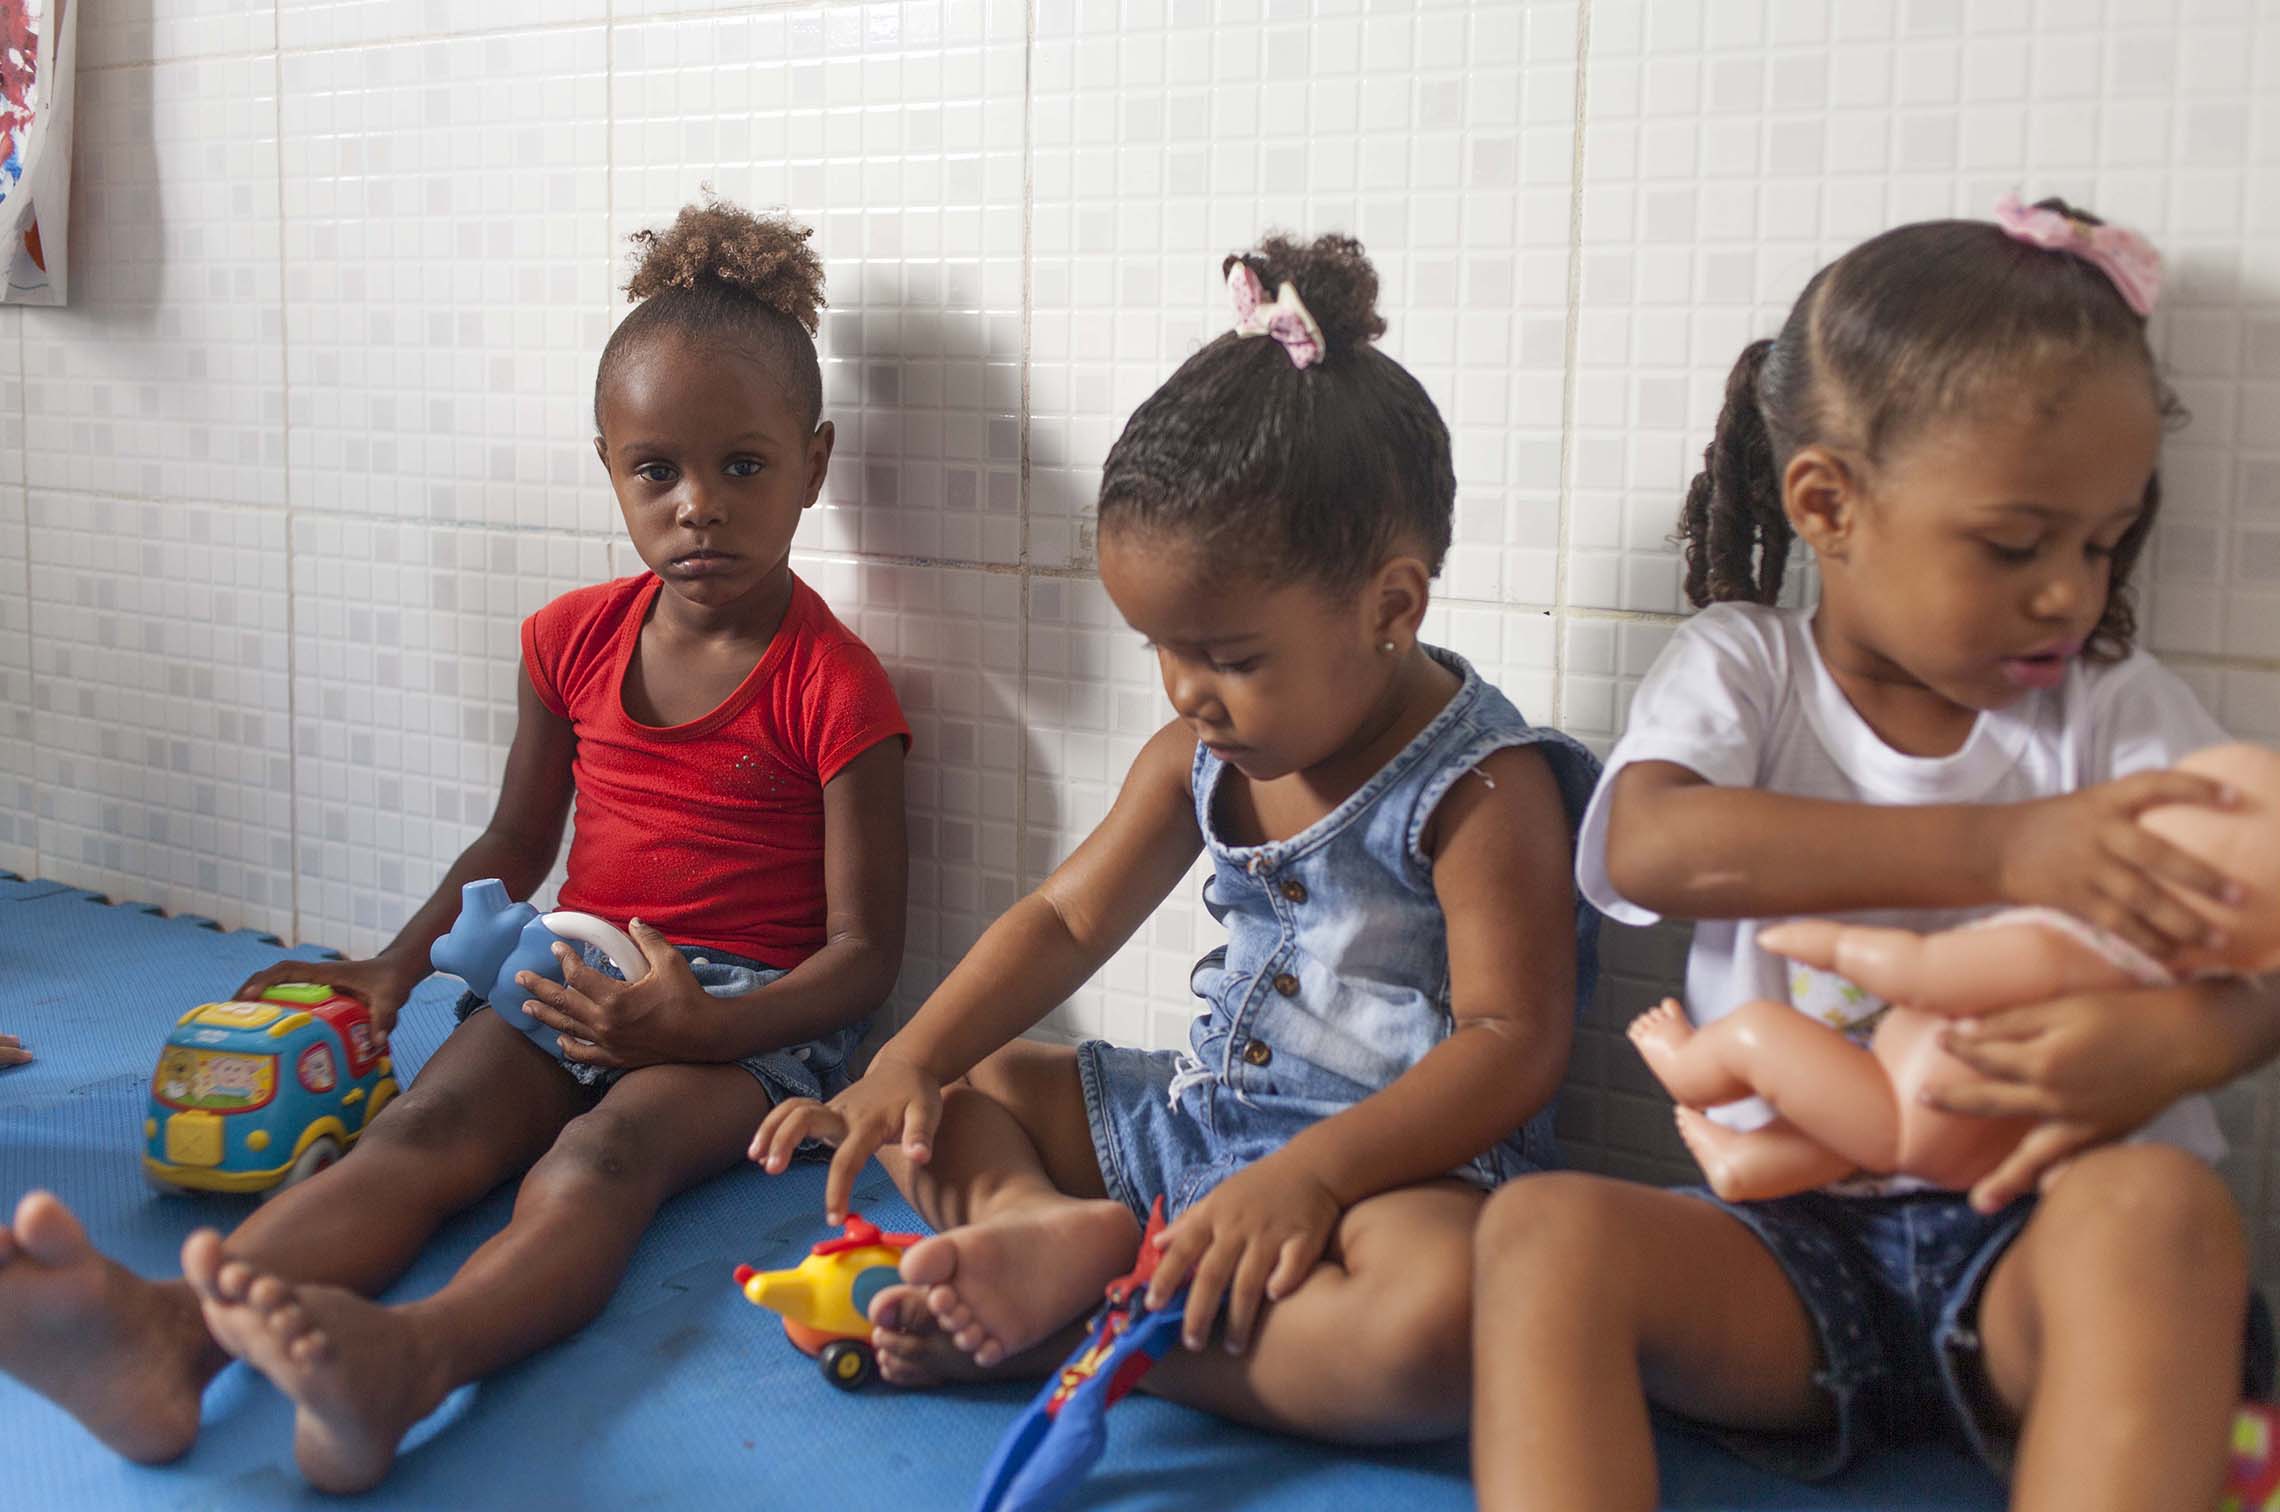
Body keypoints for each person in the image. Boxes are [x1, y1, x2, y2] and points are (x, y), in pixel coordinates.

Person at [0, 199, 910, 1493]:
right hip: (577, 970)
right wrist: (395, 966)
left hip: (748, 1020)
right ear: (609, 466)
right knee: (421, 1131)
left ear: (813, 465)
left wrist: (700, 1027)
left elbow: (865, 957)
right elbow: (514, 840)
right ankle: (170, 1339)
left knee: (603, 1159)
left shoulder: (837, 685)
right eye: (657, 470)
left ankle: (413, 1361)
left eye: (744, 467)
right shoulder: (569, 641)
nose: (698, 506)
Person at [1470, 195, 2277, 1512]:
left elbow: (2263, 941)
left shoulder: (2116, 716)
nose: (2071, 591)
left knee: (2164, 1215)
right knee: (1539, 1234)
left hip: (2041, 1237)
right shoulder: (1749, 670)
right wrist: (2006, 851)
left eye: (2104, 543)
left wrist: (2184, 1044)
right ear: (1829, 504)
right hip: (1789, 1249)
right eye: (2015, 544)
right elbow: (1653, 845)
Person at [754, 233, 1599, 1443]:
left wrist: (1313, 1176)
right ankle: (1041, 1230)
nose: (1187, 692)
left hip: (1393, 1180)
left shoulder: (1483, 791)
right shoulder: (1196, 756)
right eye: (1162, 648)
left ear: (1391, 607)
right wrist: (906, 1060)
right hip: (1202, 1126)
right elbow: (1065, 919)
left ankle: (1083, 1326)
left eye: (1231, 657)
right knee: (951, 1092)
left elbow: (1513, 1044)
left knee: (1441, 1331)